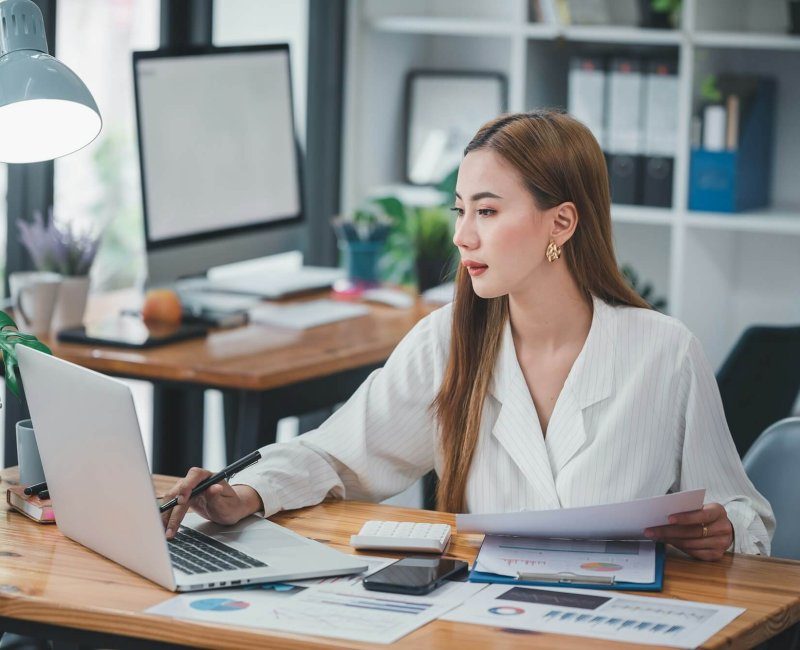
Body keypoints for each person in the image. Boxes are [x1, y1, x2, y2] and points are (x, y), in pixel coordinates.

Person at [162, 110, 774, 560]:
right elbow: (335, 454)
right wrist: (246, 491)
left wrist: (725, 529)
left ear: (561, 222)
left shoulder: (664, 354)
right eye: (461, 210)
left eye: (487, 211)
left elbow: (746, 515)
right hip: (483, 623)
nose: (462, 236)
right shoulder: (449, 343)